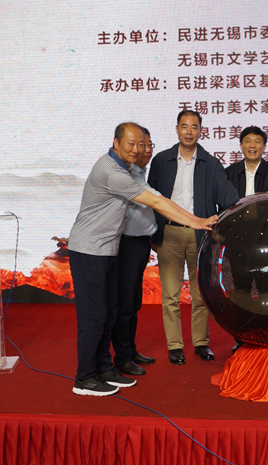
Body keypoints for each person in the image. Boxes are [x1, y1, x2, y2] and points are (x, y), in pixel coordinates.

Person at [69, 122, 216, 396]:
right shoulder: (112, 172)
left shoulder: (126, 169)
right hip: (89, 250)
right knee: (95, 317)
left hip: (108, 250)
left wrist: (196, 220)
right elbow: (158, 203)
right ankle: (84, 378)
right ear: (116, 143)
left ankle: (104, 369)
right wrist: (196, 222)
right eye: (131, 144)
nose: (137, 149)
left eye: (142, 144)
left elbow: (161, 199)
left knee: (109, 314)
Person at [148, 110, 239, 365]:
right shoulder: (161, 160)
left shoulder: (211, 163)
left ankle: (200, 343)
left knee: (201, 294)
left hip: (202, 236)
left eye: (194, 127)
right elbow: (150, 199)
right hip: (170, 233)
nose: (189, 131)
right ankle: (175, 346)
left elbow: (228, 198)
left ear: (201, 130)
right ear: (177, 129)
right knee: (170, 295)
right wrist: (153, 233)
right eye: (184, 126)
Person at [225, 125, 268, 353]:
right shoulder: (229, 173)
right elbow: (225, 205)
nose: (252, 146)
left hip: (267, 242)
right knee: (240, 290)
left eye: (257, 142)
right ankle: (243, 337)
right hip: (238, 241)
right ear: (241, 145)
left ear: (264, 146)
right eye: (248, 141)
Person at [111, 127, 158, 376]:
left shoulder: (140, 173)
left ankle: (130, 350)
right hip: (126, 244)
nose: (146, 150)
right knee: (125, 303)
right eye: (141, 145)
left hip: (140, 244)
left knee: (134, 301)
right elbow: (156, 201)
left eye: (149, 145)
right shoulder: (126, 174)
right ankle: (122, 357)